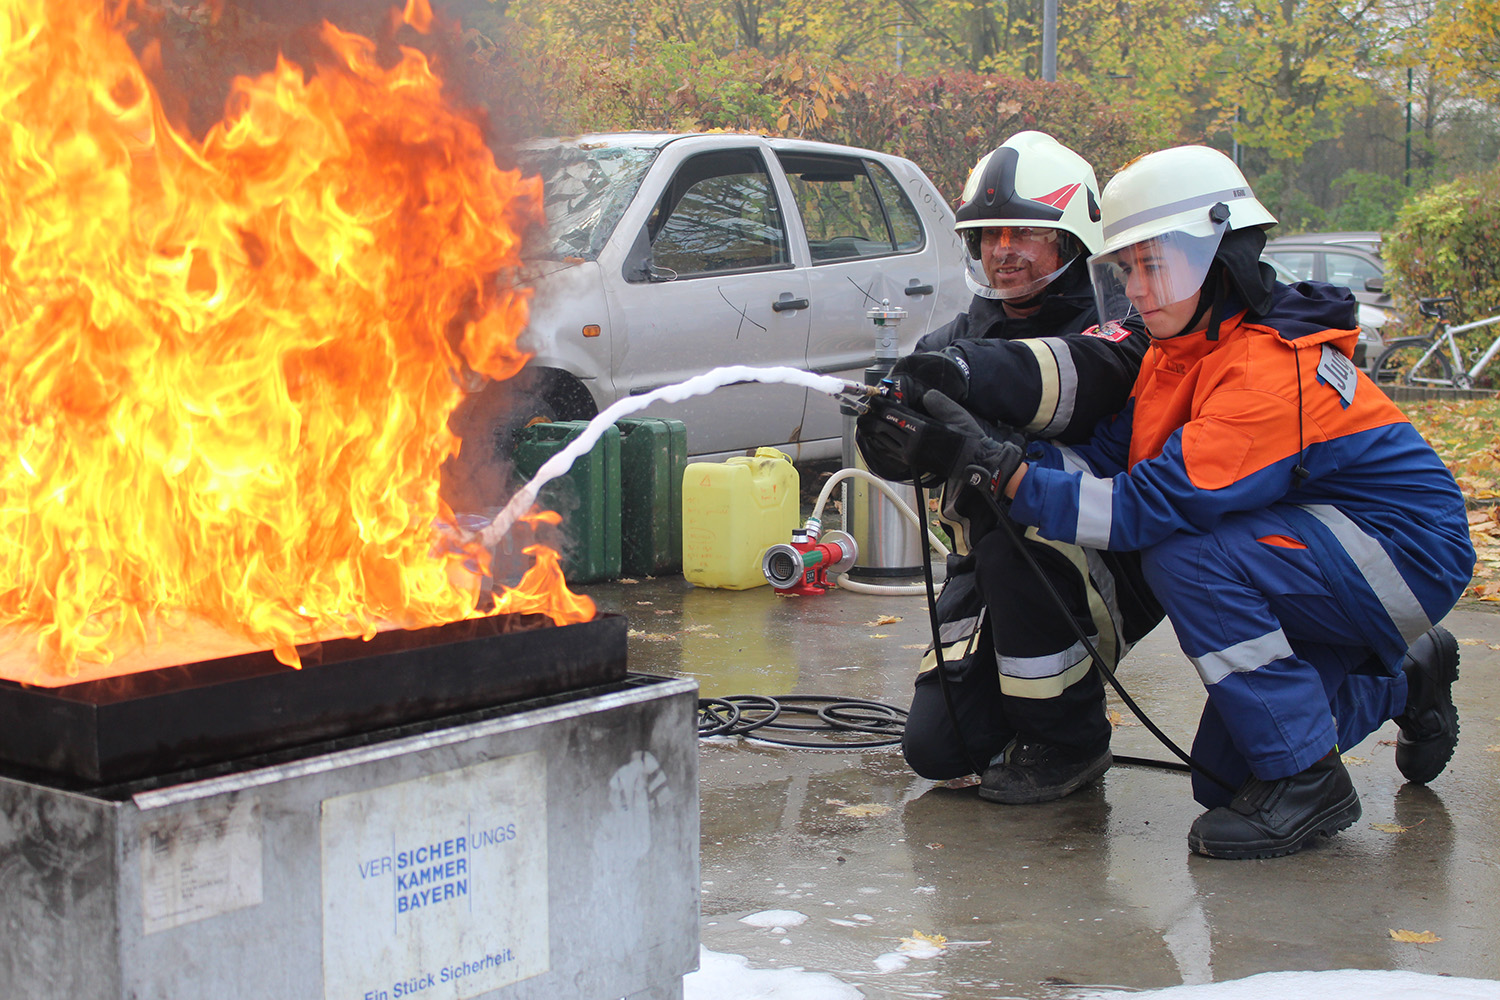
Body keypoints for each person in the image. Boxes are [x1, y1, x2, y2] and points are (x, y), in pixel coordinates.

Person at [892, 144, 1472, 858]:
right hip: (1319, 547)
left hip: (1403, 554)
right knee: (1223, 778)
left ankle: (1309, 779)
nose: (1136, 288)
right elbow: (1111, 460)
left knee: (1187, 556)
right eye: (1127, 268)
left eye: (1154, 264)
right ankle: (1405, 679)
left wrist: (1008, 479)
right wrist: (988, 458)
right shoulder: (1186, 347)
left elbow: (1140, 508)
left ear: (1217, 252)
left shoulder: (1264, 370)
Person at [856, 131, 1163, 804]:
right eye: (989, 234)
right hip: (995, 565)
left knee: (1015, 527)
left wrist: (961, 376)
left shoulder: (1123, 323)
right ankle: (1022, 716)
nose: (1004, 251)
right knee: (938, 749)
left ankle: (1068, 742)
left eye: (1026, 231)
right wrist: (890, 441)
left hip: (1107, 561)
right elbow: (915, 434)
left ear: (1074, 238)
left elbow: (1073, 376)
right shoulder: (959, 335)